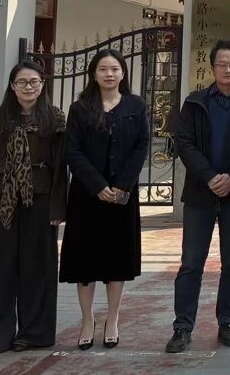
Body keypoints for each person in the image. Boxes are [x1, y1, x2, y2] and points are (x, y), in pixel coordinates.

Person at [164, 40, 230, 354]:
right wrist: (210, 177)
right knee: (191, 263)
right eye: (222, 64)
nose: (228, 69)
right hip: (199, 193)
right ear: (212, 67)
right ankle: (182, 327)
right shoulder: (195, 102)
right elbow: (184, 143)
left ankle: (227, 322)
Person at [0, 58, 67, 353]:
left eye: (34, 82)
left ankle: (34, 333)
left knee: (38, 268)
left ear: (42, 85)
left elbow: (61, 167)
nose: (28, 87)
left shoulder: (54, 119)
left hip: (40, 199)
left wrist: (58, 208)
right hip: (0, 198)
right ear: (12, 86)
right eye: (22, 82)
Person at [59, 49, 149, 351]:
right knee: (85, 262)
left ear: (123, 73)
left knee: (116, 260)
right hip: (86, 195)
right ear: (94, 74)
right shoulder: (80, 108)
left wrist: (123, 185)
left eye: (114, 69)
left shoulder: (136, 105)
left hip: (122, 196)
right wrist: (97, 185)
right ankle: (87, 321)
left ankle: (112, 319)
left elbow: (141, 146)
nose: (109, 74)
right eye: (102, 69)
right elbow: (72, 151)